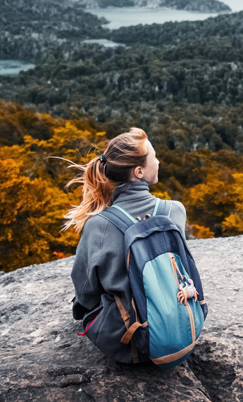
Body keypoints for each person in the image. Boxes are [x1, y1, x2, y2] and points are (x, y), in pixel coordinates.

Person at [65, 127, 187, 364]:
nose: (159, 161)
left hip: (129, 344)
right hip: (182, 328)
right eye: (154, 156)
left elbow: (85, 292)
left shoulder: (99, 225)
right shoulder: (175, 210)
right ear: (139, 171)